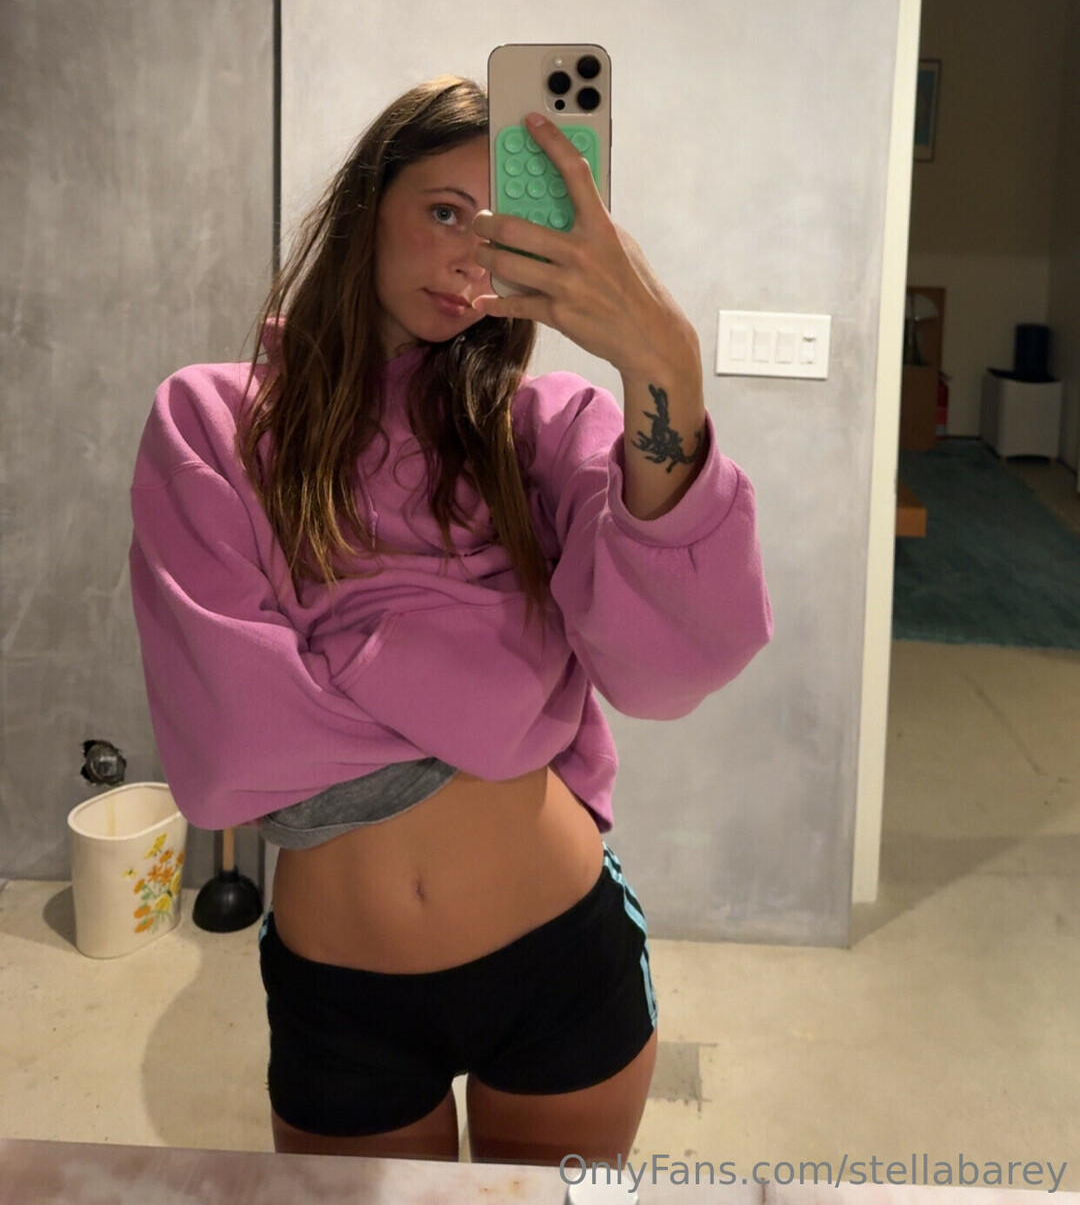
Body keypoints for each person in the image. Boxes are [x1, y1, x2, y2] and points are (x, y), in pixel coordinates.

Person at [128, 74, 772, 1168]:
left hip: (563, 959)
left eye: (506, 228)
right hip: (340, 994)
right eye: (444, 212)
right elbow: (236, 752)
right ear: (366, 206)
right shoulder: (213, 421)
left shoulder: (545, 429)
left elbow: (669, 670)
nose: (474, 257)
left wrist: (661, 364)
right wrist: (516, 683)